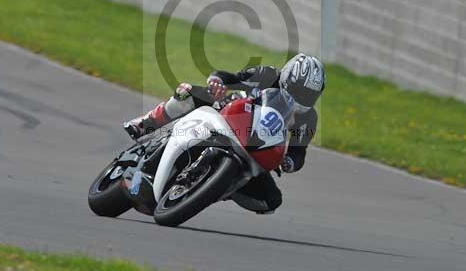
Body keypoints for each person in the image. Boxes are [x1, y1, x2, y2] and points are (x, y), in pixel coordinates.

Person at [123, 54, 326, 214]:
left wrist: (289, 162)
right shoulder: (267, 75)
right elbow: (231, 77)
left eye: (310, 95)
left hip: (255, 147)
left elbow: (299, 151)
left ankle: (214, 187)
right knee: (189, 92)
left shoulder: (308, 119)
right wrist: (217, 82)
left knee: (271, 201)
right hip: (224, 114)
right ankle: (146, 123)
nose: (303, 98)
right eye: (301, 90)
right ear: (288, 78)